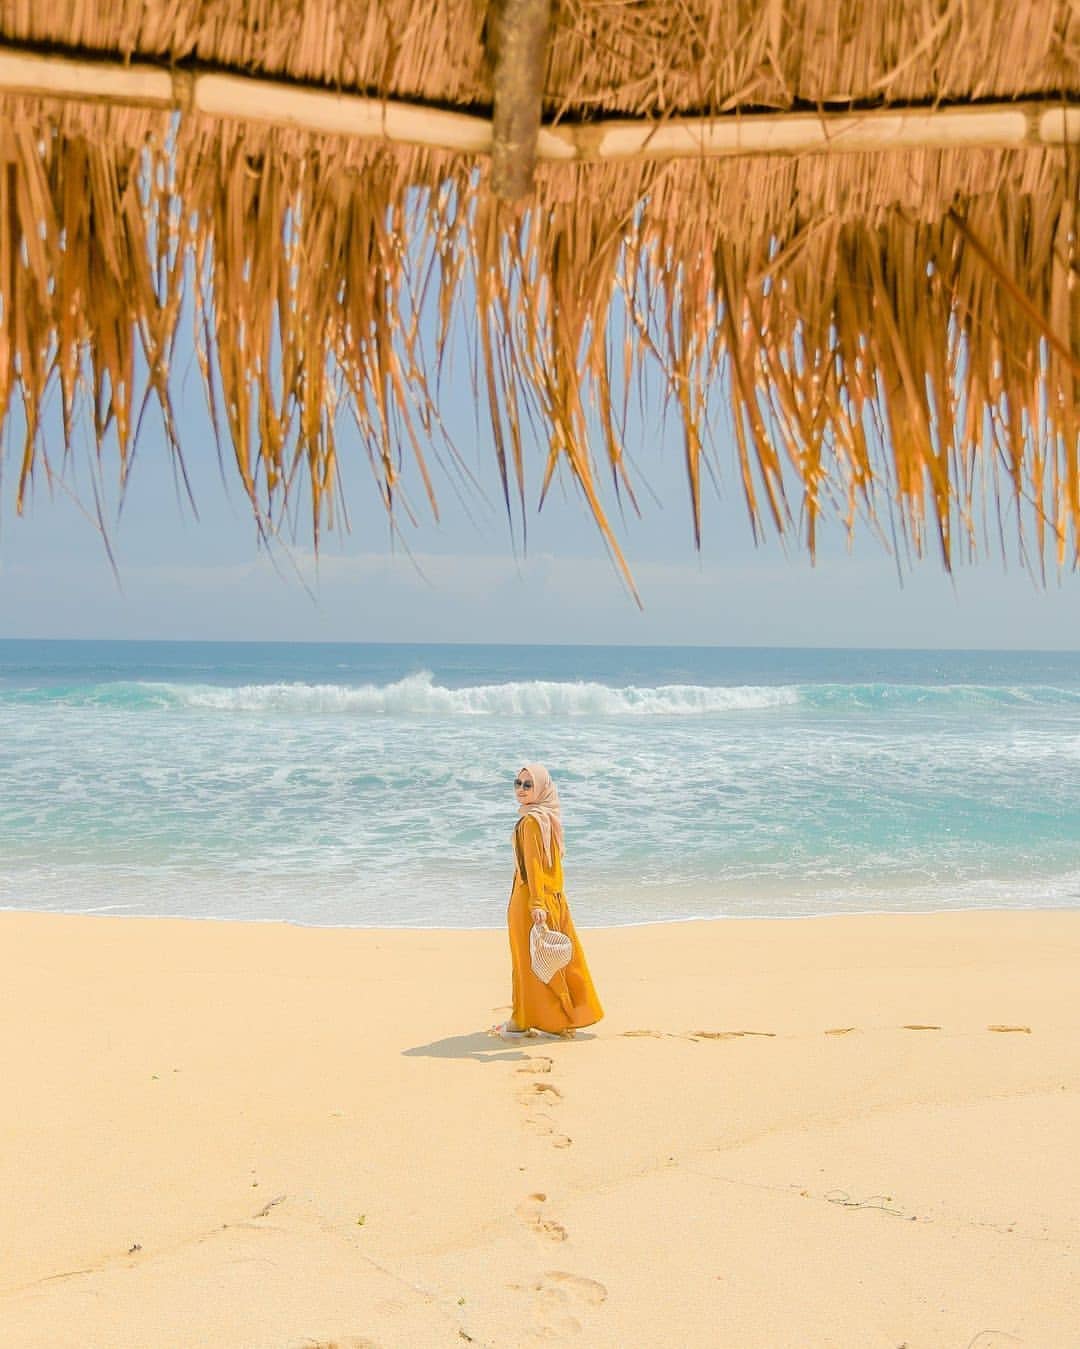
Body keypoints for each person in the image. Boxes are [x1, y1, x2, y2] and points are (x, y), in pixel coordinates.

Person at [490, 762, 603, 1039]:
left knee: (528, 963)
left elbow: (534, 865)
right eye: (517, 783)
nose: (521, 790)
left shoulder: (530, 822)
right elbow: (552, 866)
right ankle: (567, 1015)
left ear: (541, 787)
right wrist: (548, 901)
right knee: (560, 961)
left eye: (528, 785)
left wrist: (536, 904)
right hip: (555, 898)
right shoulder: (549, 818)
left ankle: (523, 1020)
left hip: (531, 901)